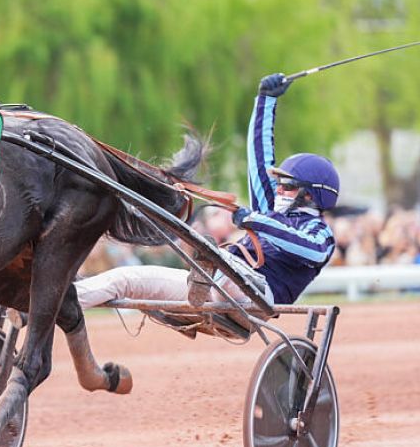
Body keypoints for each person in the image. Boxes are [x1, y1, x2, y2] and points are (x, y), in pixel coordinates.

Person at [75, 72, 338, 309]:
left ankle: (210, 263)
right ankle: (49, 306)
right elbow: (259, 159)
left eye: (288, 185)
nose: (279, 188)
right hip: (216, 282)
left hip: (256, 294)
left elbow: (309, 249)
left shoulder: (320, 234)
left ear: (310, 195)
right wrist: (266, 101)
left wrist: (253, 220)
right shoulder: (269, 210)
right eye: (279, 182)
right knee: (124, 279)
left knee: (227, 270)